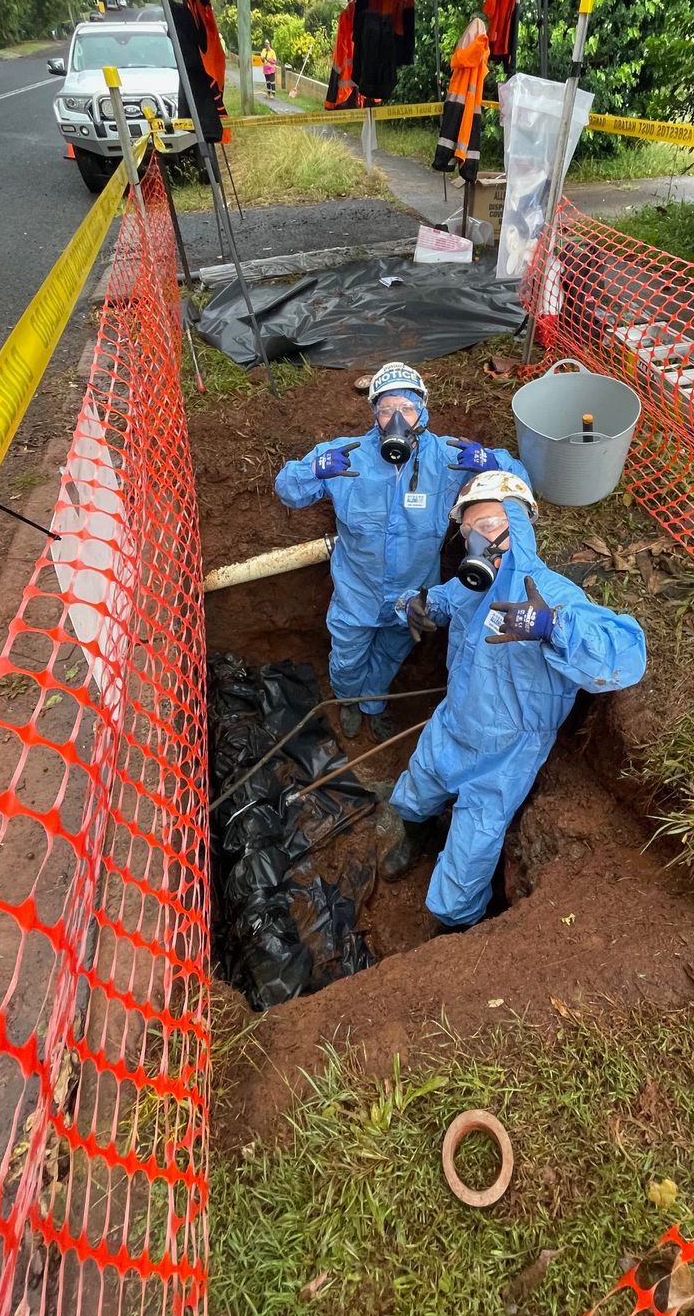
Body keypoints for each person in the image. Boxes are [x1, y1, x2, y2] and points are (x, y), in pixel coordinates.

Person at [381, 471, 646, 929]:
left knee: (469, 855)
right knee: (413, 794)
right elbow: (439, 602)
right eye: (469, 533)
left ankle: (456, 925)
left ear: (518, 527)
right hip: (453, 724)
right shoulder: (473, 585)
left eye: (490, 526)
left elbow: (624, 655)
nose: (479, 541)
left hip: (506, 756)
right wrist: (415, 605)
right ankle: (416, 836)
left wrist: (552, 626)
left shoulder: (553, 595)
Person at [274, 364, 529, 743]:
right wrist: (314, 470)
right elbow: (287, 491)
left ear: (422, 411)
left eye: (407, 408)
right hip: (355, 594)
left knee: (392, 654)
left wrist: (493, 464)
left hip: (412, 596)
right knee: (347, 656)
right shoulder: (346, 457)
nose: (397, 418)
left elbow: (518, 484)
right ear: (374, 414)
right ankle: (348, 700)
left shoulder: (448, 459)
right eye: (386, 407)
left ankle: (373, 704)